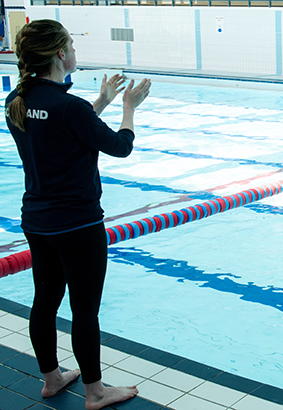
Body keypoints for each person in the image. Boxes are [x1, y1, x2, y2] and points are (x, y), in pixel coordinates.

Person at [5, 19, 151, 409]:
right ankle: (95, 392)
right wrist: (127, 108)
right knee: (84, 310)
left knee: (45, 302)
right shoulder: (69, 107)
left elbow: (61, 127)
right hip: (79, 225)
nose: (74, 50)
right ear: (59, 54)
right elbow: (120, 146)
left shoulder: (17, 101)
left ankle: (52, 379)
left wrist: (98, 102)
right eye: (70, 44)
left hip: (37, 221)